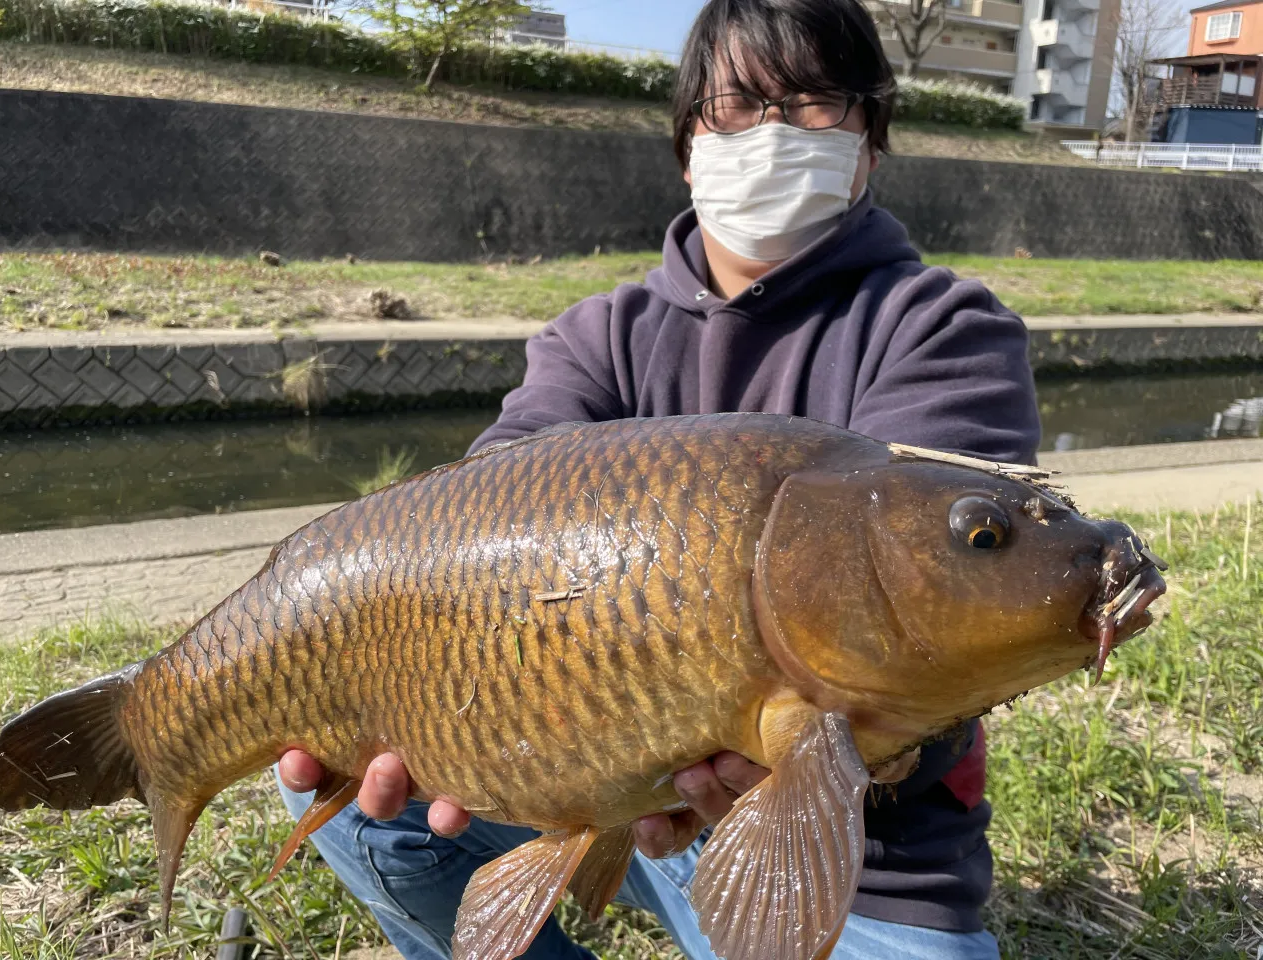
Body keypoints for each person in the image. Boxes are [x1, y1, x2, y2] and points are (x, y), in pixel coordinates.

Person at [275, 0, 1040, 956]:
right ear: (689, 147)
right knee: (336, 780)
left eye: (813, 104)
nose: (772, 131)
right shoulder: (595, 337)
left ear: (870, 145)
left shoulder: (941, 329)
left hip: (865, 845)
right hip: (596, 777)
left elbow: (951, 613)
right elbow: (480, 517)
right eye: (739, 104)